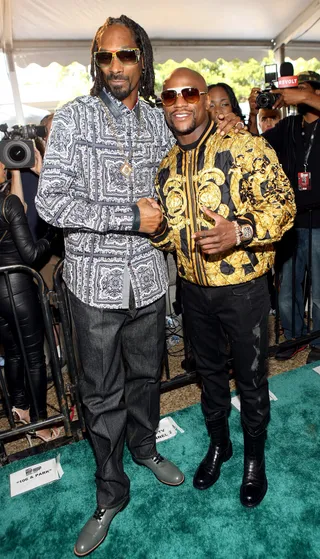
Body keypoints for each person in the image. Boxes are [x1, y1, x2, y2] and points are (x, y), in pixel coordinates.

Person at [36, 15, 187, 558]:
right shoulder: (73, 120)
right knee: (101, 397)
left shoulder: (156, 120)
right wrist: (127, 216)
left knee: (146, 377)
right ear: (95, 62)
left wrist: (226, 123)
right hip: (93, 287)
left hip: (147, 280)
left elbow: (179, 171)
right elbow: (50, 203)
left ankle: (146, 447)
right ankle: (110, 491)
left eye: (126, 55)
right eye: (105, 57)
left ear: (141, 58)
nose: (115, 66)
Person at [150, 68, 296, 508]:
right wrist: (154, 229)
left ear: (203, 100)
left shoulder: (245, 147)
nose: (180, 101)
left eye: (189, 92)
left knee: (250, 380)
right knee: (209, 377)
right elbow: (170, 236)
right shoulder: (166, 165)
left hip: (243, 290)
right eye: (170, 94)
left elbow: (284, 207)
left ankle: (254, 458)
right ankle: (220, 445)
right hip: (193, 292)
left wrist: (242, 231)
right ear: (165, 104)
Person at [248, 72, 320, 362]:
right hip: (291, 222)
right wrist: (255, 112)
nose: (295, 94)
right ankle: (295, 336)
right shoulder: (289, 125)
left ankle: (318, 340)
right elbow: (256, 145)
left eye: (303, 89)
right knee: (287, 287)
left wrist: (301, 95)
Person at [0, 162, 59, 443]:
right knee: (34, 357)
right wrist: (50, 236)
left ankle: (19, 409)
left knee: (12, 352)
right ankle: (40, 423)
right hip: (18, 289)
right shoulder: (8, 202)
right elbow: (31, 254)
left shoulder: (9, 202)